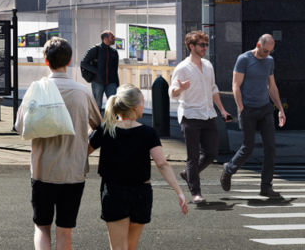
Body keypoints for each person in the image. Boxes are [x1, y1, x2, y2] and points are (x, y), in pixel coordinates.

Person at [14, 37, 102, 250]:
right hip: (73, 171)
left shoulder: (36, 90)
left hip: (43, 170)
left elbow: (20, 126)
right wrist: (85, 148)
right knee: (65, 231)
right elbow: (100, 126)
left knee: (42, 228)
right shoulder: (83, 92)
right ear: (70, 60)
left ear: (46, 61)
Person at [90, 85, 188, 248]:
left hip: (114, 192)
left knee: (118, 247)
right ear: (135, 107)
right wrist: (179, 192)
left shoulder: (106, 129)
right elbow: (162, 164)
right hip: (141, 194)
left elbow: (83, 151)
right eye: (143, 102)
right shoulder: (148, 133)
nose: (144, 106)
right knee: (132, 245)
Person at [221, 33, 287, 198]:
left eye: (270, 51)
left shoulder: (269, 61)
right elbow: (236, 85)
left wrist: (280, 109)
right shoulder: (244, 59)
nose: (267, 54)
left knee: (270, 148)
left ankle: (266, 187)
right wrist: (241, 108)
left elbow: (272, 86)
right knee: (247, 148)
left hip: (265, 109)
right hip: (248, 110)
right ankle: (229, 169)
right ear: (258, 45)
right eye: (265, 50)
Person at [170, 30, 230, 204]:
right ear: (191, 46)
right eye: (202, 45)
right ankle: (196, 192)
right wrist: (180, 88)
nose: (205, 48)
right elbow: (172, 92)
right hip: (190, 115)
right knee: (193, 156)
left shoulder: (208, 65)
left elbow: (213, 89)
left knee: (211, 153)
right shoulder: (182, 68)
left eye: (206, 45)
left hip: (208, 114)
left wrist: (223, 110)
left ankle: (188, 173)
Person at [81, 31, 120, 114]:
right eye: (112, 37)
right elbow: (83, 63)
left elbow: (115, 69)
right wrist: (96, 71)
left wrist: (117, 83)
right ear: (105, 38)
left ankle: (112, 125)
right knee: (97, 105)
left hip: (111, 83)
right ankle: (97, 125)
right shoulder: (95, 50)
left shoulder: (114, 52)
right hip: (97, 82)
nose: (114, 38)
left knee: (113, 105)